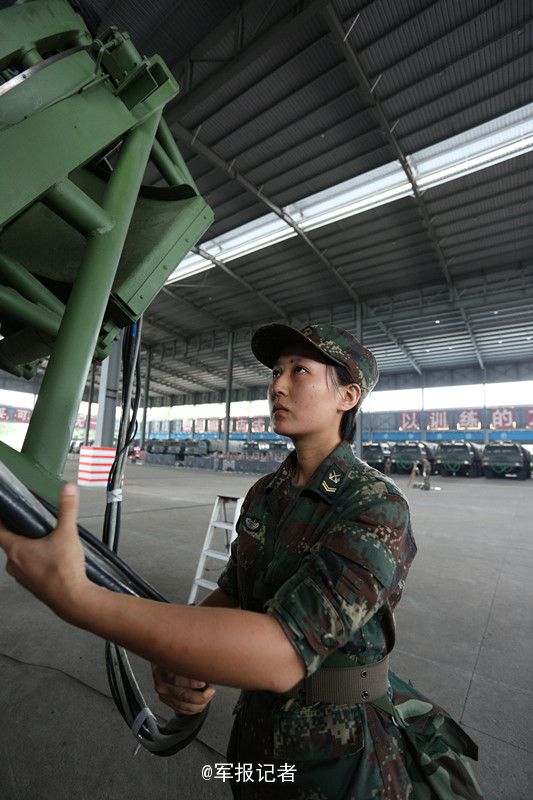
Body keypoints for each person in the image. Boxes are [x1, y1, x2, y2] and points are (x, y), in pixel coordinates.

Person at [0, 323, 482, 800]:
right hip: (256, 737)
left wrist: (80, 600)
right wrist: (176, 655)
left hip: (339, 758)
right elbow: (234, 593)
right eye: (276, 371)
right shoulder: (265, 492)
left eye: (300, 371)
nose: (277, 384)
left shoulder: (376, 504)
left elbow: (280, 655)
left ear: (348, 396)